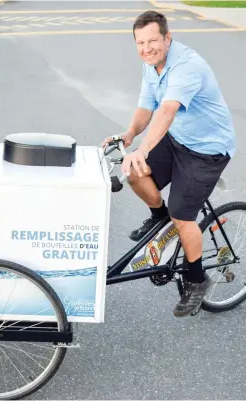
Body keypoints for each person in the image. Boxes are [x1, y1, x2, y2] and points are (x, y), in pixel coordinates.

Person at [102, 10, 235, 317]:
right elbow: (147, 105)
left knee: (183, 215)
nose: (147, 48)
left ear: (167, 38)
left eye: (153, 41)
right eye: (140, 42)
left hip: (208, 150)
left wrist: (144, 149)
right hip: (179, 139)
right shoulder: (152, 65)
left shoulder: (186, 66)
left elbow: (167, 111)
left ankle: (196, 280)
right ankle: (159, 217)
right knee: (135, 173)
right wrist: (130, 135)